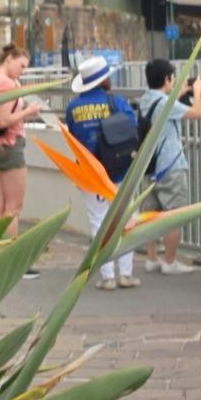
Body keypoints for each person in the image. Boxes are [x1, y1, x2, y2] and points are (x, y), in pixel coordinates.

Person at [64, 54, 140, 290]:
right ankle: (125, 274)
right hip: (120, 170)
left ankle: (107, 276)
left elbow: (73, 137)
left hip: (89, 173)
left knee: (99, 223)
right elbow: (132, 128)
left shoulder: (73, 107)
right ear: (104, 79)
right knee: (125, 220)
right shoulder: (116, 102)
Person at [135, 58, 201, 276]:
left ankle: (152, 259)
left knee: (151, 215)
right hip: (170, 165)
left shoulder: (146, 100)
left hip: (148, 167)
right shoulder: (166, 103)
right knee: (174, 215)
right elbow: (196, 113)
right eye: (173, 78)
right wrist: (197, 93)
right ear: (167, 79)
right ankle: (170, 261)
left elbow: (164, 107)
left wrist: (178, 92)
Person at [0, 44, 45, 269]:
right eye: (21, 65)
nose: (22, 71)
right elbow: (4, 121)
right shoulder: (6, 84)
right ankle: (11, 262)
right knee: (13, 208)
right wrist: (29, 111)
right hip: (10, 145)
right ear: (9, 58)